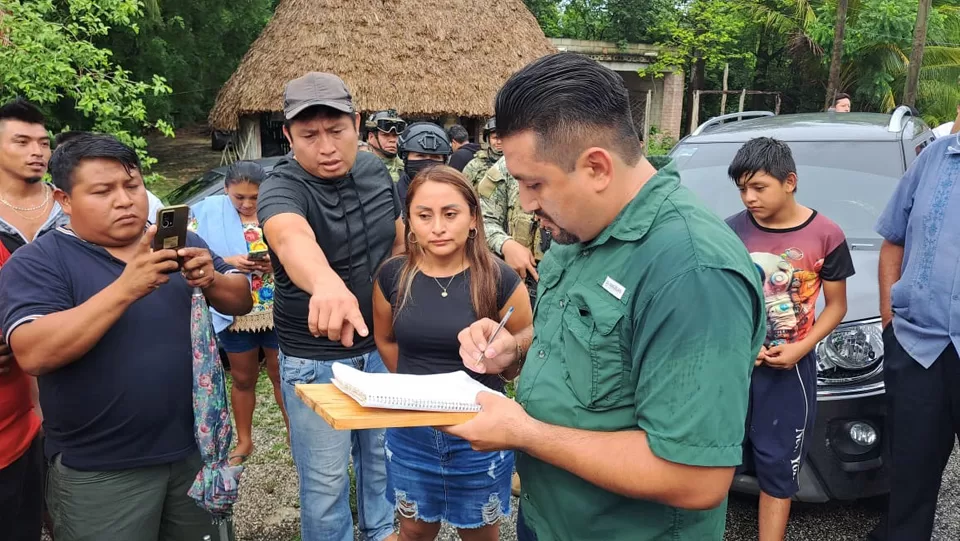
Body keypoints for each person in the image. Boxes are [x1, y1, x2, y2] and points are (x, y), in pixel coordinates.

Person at [448, 52, 766, 541]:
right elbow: (602, 343)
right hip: (549, 519)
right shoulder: (583, 227)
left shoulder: (692, 270)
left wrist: (525, 433)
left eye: (535, 184)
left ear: (597, 167)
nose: (528, 204)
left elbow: (694, 477)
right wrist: (517, 348)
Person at [0, 133, 252, 541]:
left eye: (131, 185)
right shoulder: (40, 262)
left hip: (193, 454)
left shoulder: (174, 241)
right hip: (101, 469)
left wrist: (212, 279)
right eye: (103, 191)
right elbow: (34, 353)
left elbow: (239, 299)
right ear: (64, 200)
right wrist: (125, 288)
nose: (124, 200)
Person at [257, 72, 403, 541]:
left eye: (337, 131)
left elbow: (397, 238)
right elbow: (288, 234)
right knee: (325, 483)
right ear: (288, 135)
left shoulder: (376, 170)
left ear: (357, 123)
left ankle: (381, 534)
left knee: (383, 462)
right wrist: (325, 283)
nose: (326, 147)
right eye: (309, 135)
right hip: (315, 360)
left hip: (381, 349)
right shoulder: (281, 185)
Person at [372, 166, 532, 541]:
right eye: (424, 215)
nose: (437, 227)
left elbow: (526, 338)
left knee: (479, 534)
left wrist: (508, 353)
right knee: (413, 533)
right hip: (411, 431)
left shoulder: (499, 278)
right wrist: (423, 393)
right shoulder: (393, 277)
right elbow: (386, 340)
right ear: (409, 220)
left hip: (481, 433)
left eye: (450, 214)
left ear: (473, 218)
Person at [725, 138, 853, 541]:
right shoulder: (729, 232)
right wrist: (744, 345)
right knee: (716, 459)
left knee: (778, 469)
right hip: (735, 369)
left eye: (759, 187)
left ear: (790, 181)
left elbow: (836, 306)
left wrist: (801, 347)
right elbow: (722, 300)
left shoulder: (827, 234)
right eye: (742, 188)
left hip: (789, 373)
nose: (749, 198)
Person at [870, 133, 960, 540]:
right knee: (909, 478)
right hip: (917, 346)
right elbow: (894, 239)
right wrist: (890, 323)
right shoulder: (935, 158)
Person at [189, 160, 287, 464]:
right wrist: (227, 260)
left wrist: (277, 262)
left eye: (254, 197)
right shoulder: (208, 213)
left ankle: (295, 436)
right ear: (226, 191)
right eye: (238, 197)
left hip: (276, 308)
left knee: (281, 375)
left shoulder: (279, 211)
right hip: (234, 311)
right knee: (243, 378)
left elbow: (301, 247)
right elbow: (193, 249)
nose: (246, 204)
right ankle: (244, 441)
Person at [0, 98, 53, 541]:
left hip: (76, 364)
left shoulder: (74, 204)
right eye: (22, 141)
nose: (37, 150)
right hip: (15, 392)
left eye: (43, 142)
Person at [477, 156, 548, 288]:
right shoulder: (508, 165)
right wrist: (505, 244)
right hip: (519, 281)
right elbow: (481, 220)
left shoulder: (580, 161)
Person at [396, 122, 453, 204]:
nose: (427, 164)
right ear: (405, 157)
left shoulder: (455, 196)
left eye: (435, 157)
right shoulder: (390, 197)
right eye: (420, 156)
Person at [364, 110, 407, 183]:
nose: (393, 140)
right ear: (371, 137)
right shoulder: (360, 167)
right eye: (385, 135)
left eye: (395, 135)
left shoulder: (406, 167)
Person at [462, 118, 502, 190]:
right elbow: (463, 191)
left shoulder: (517, 164)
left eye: (503, 137)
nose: (499, 142)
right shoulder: (474, 165)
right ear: (487, 139)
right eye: (495, 138)